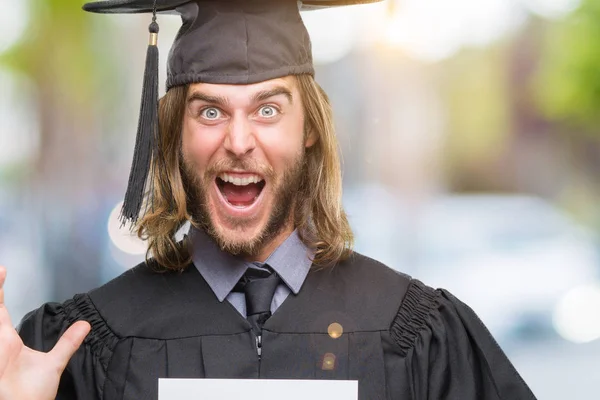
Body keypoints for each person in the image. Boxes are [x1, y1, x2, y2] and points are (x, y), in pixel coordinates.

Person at [0, 0, 538, 399]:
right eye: (210, 111)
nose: (238, 141)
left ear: (310, 129)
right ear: (174, 136)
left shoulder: (420, 335)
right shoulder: (79, 352)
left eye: (268, 109)